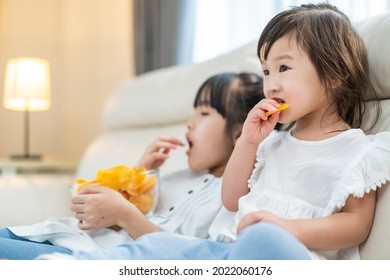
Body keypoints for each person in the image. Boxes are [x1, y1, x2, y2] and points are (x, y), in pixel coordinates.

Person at [39, 2, 390, 260]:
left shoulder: (359, 150)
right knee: (155, 247)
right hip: (224, 251)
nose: (271, 84)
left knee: (262, 243)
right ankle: (66, 264)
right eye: (266, 72)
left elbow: (356, 225)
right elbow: (232, 199)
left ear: (335, 73)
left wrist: (287, 228)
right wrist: (249, 143)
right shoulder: (274, 143)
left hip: (288, 254)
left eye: (283, 67)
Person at [0, 72, 264, 260]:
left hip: (85, 255)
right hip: (63, 234)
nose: (189, 123)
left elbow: (185, 257)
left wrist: (125, 214)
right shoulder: (179, 177)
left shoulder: (235, 199)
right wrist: (140, 176)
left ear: (240, 133)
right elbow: (114, 220)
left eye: (204, 113)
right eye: (193, 112)